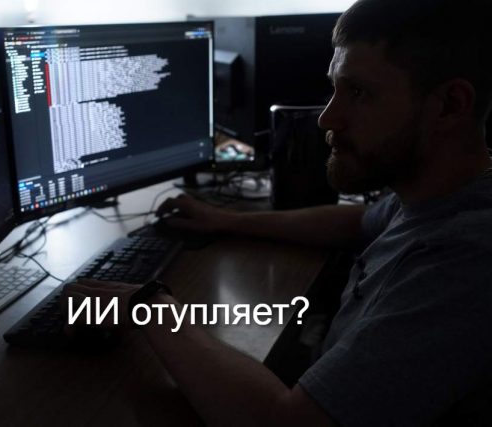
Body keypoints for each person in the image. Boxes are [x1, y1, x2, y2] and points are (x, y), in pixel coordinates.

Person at [62, 0, 492, 425]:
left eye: (359, 92)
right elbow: (357, 222)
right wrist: (227, 220)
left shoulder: (465, 260)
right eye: (335, 88)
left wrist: (150, 307)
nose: (327, 118)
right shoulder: (434, 192)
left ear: (450, 105)